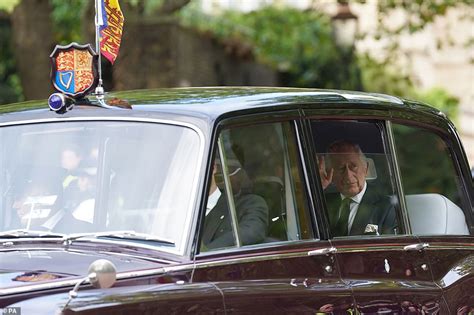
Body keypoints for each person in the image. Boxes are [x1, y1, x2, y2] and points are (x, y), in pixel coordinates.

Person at [318, 140, 397, 237]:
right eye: (341, 168)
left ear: (366, 169)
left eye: (353, 167)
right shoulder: (322, 203)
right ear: (330, 174)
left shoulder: (387, 206)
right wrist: (319, 188)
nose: (348, 175)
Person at [201, 157, 268, 250]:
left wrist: (205, 253)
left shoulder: (248, 204)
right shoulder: (176, 210)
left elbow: (252, 231)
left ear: (213, 168)